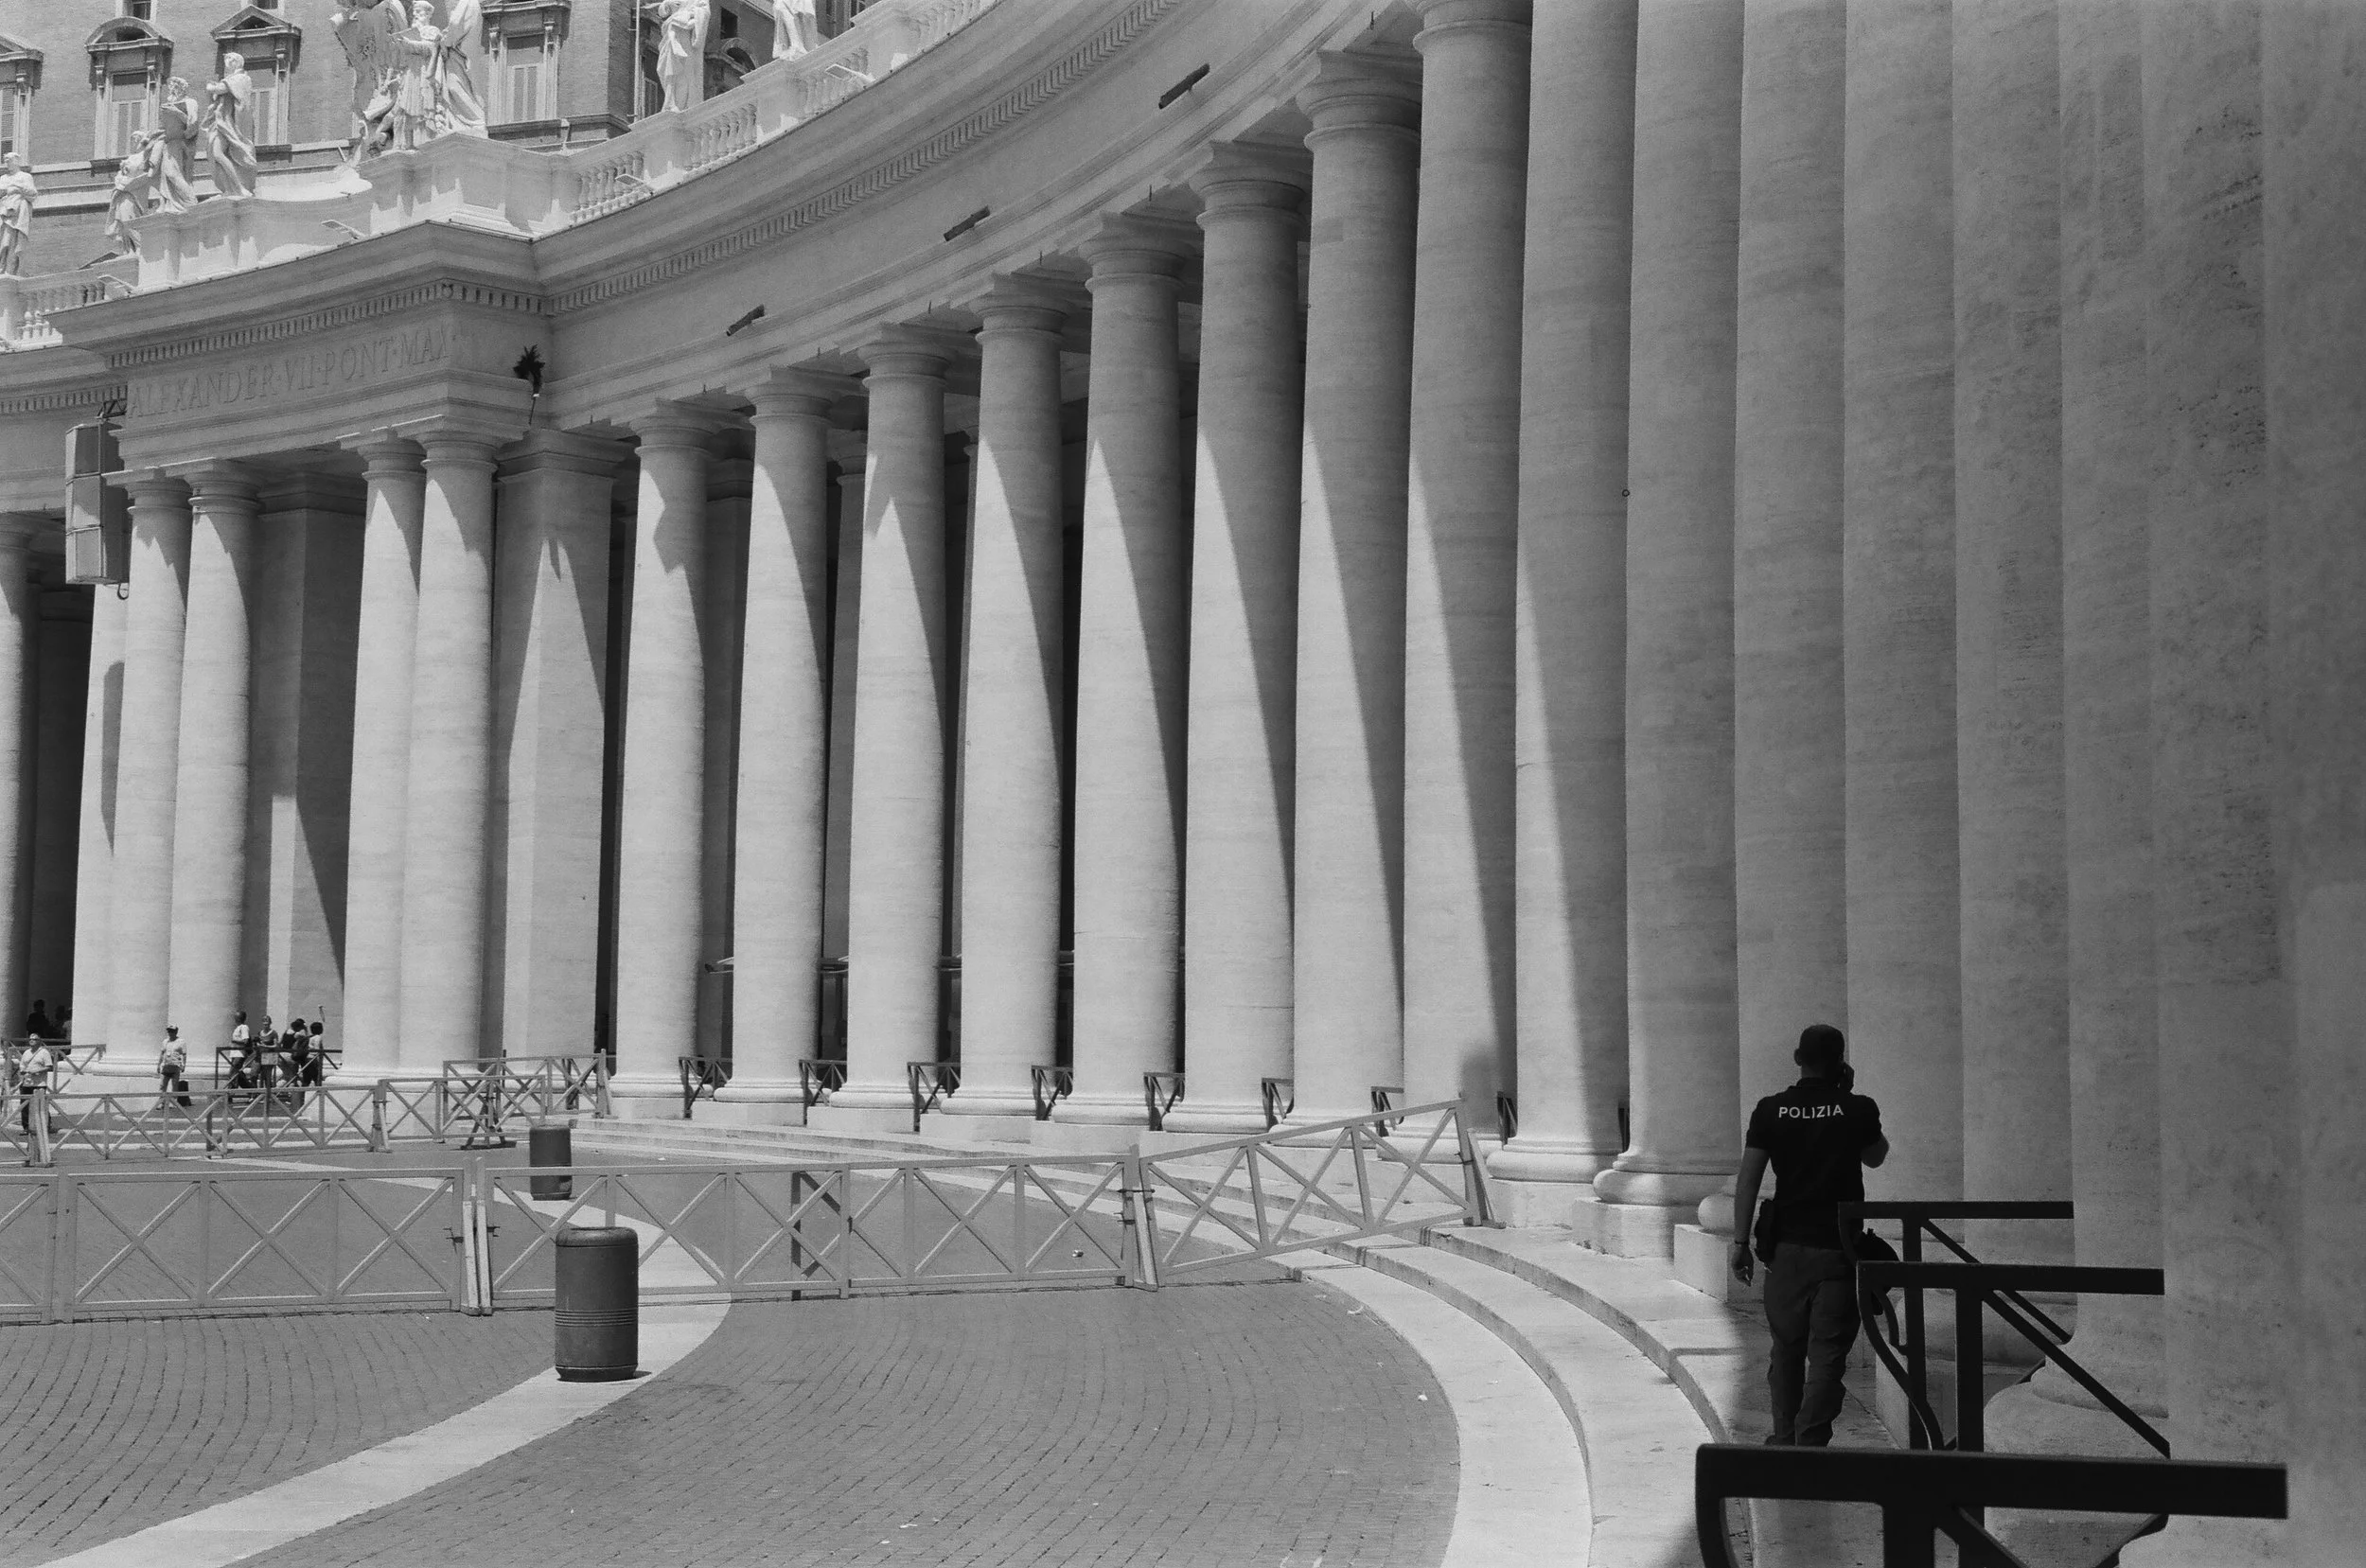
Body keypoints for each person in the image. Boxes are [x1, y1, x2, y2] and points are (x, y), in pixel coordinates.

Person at [1729, 1023, 1889, 1447]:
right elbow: (1876, 1157)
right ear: (1841, 1062)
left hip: (1785, 1248)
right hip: (1839, 1250)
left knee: (1785, 1349)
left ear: (1798, 1059)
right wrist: (1847, 1095)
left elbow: (1748, 1180)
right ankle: (1811, 1443)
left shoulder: (1770, 1110)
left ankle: (1784, 1439)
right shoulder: (1858, 1108)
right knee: (1827, 1357)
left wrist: (1740, 1242)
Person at [203, 53, 259, 200]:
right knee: (215, 155)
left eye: (229, 59)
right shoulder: (228, 80)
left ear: (236, 62)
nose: (226, 62)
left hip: (230, 125)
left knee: (217, 154)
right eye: (226, 59)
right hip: (220, 123)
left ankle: (239, 188)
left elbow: (220, 89)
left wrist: (211, 87)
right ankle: (232, 188)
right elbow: (214, 100)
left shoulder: (241, 78)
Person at [644, 0, 710, 114]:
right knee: (666, 66)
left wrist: (688, 15)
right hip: (672, 30)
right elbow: (662, 12)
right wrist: (667, 4)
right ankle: (670, 101)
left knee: (683, 69)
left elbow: (704, 12)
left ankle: (678, 103)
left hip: (685, 34)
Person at [0, 153, 35, 278]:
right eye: (5, 161)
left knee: (15, 242)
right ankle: (2, 269)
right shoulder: (2, 178)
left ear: (16, 161)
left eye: (9, 160)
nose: (6, 163)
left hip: (19, 213)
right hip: (4, 213)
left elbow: (32, 194)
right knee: (3, 243)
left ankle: (11, 271)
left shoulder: (25, 177)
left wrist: (17, 188)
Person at [158, 1027, 193, 1110]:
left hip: (175, 1066)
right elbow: (162, 1053)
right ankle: (161, 1103)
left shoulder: (181, 1042)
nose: (170, 1033)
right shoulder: (165, 1041)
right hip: (165, 1066)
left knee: (174, 1085)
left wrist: (184, 1065)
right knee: (162, 1085)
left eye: (172, 1031)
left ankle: (173, 1103)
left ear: (176, 1032)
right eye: (169, 1031)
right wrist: (158, 1065)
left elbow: (184, 1054)